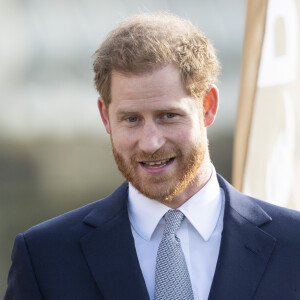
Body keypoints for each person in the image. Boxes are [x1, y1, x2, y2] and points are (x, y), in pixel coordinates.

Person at [5, 12, 300, 300]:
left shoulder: (294, 245)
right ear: (105, 116)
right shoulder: (46, 258)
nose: (150, 143)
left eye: (168, 116)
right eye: (131, 119)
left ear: (208, 106)